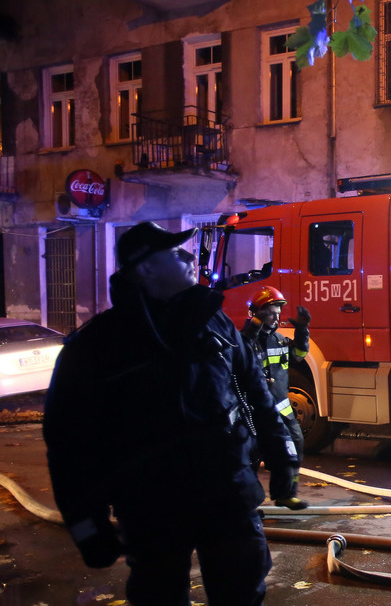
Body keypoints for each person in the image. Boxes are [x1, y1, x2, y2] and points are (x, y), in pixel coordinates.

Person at [43, 222, 299, 605]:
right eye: (175, 253)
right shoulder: (97, 344)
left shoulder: (216, 322)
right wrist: (87, 525)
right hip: (151, 507)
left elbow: (258, 396)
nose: (188, 257)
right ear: (145, 268)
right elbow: (68, 442)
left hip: (228, 496)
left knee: (242, 592)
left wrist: (284, 460)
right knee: (158, 596)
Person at [241, 286, 311, 511]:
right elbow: (241, 359)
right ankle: (246, 505)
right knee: (251, 456)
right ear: (257, 313)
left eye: (278, 313)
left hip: (281, 409)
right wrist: (252, 329)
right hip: (254, 410)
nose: (276, 317)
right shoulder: (244, 341)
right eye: (271, 312)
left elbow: (298, 357)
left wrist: (302, 331)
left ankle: (284, 495)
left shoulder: (279, 340)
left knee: (293, 447)